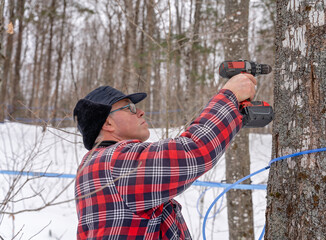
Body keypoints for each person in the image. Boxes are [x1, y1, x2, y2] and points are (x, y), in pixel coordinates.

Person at [73, 73, 257, 240]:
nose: (140, 112)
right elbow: (195, 150)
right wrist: (229, 96)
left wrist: (234, 112)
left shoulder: (95, 165)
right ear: (108, 123)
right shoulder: (114, 162)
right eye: (129, 108)